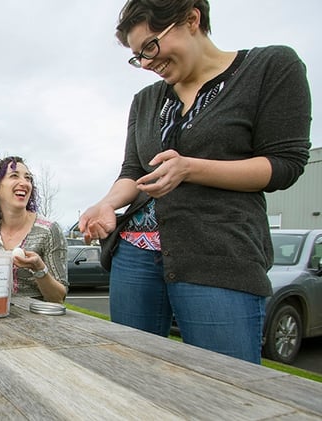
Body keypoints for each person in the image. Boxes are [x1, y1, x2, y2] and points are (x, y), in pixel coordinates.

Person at [78, 0, 311, 364]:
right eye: (138, 56)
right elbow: (133, 172)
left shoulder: (271, 67)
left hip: (220, 255)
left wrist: (191, 169)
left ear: (191, 19)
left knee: (228, 386)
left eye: (150, 47)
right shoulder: (145, 101)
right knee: (133, 379)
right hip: (135, 258)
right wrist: (107, 204)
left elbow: (285, 164)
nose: (146, 63)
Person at [0, 157, 68, 303]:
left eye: (28, 178)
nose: (24, 183)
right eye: (14, 176)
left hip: (38, 321)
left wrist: (39, 269)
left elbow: (59, 298)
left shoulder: (49, 230)